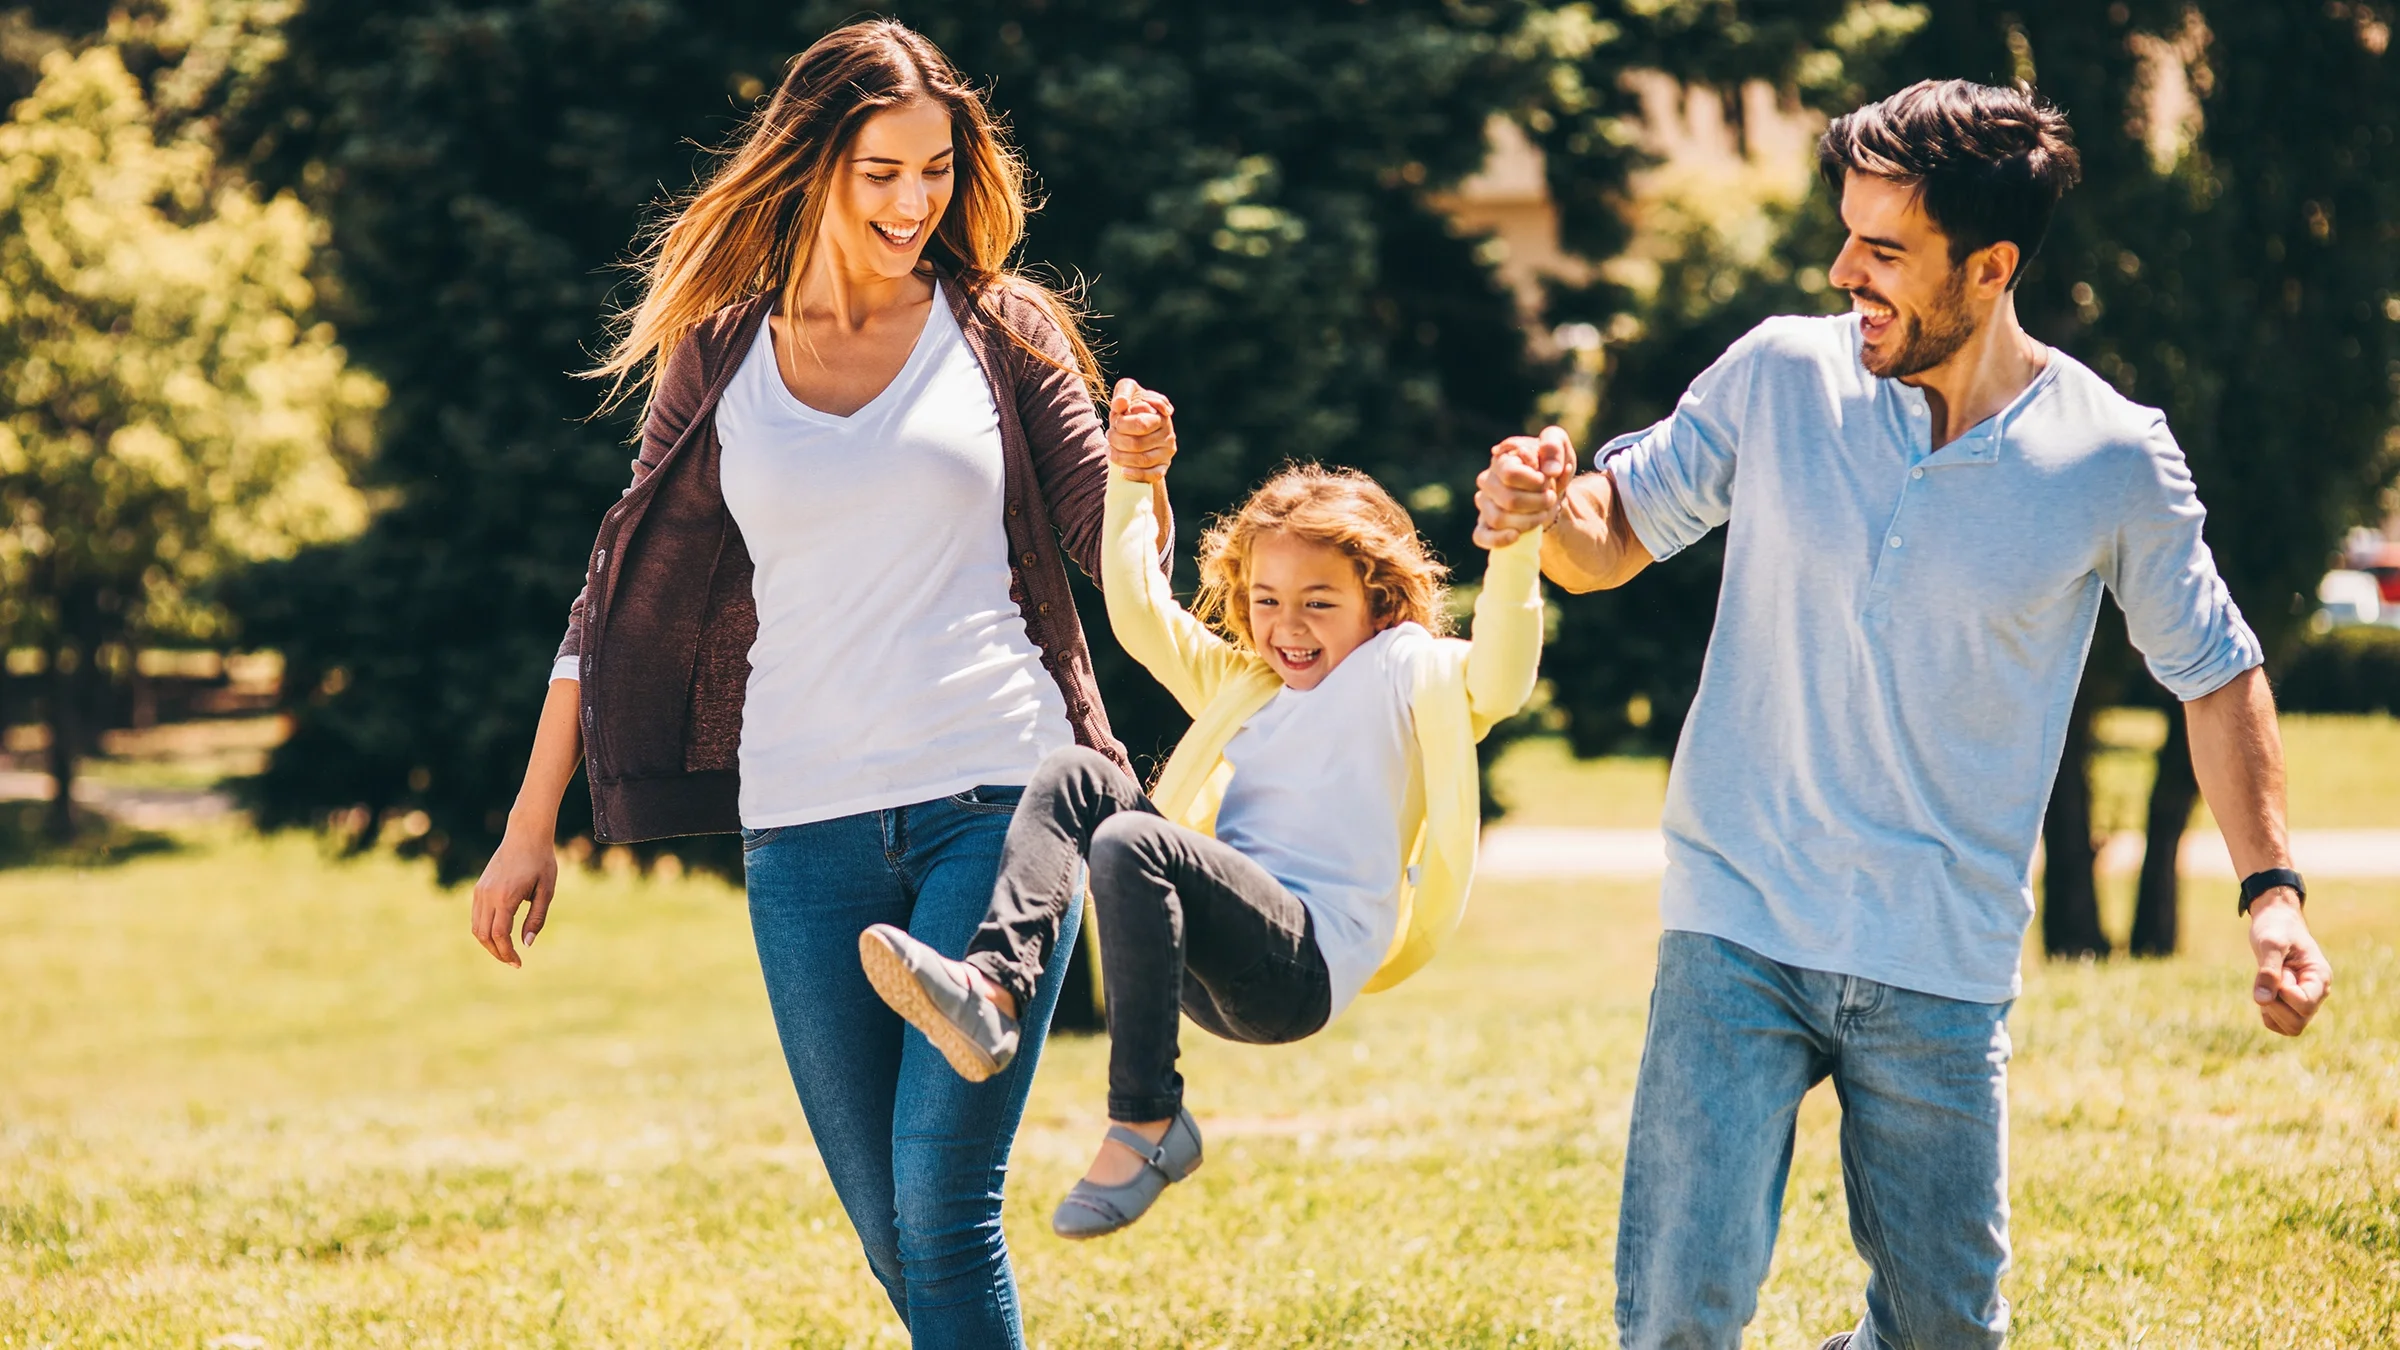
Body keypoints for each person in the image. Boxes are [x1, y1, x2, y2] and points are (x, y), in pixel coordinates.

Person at [1475, 80, 2332, 1350]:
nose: (1843, 270)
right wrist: (1544, 513)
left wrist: (2272, 892)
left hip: (1939, 957)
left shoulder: (2111, 455)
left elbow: (2213, 670)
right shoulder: (1777, 374)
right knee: (1676, 1313)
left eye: (1884, 250)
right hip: (1739, 919)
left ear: (1989, 268)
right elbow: (1611, 542)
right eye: (1846, 235)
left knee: (1944, 1336)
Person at [464, 21, 1181, 1347]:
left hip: (1001, 796)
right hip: (805, 833)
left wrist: (1141, 473)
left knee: (945, 1202)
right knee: (895, 1233)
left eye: (934, 172)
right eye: (882, 174)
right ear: (811, 166)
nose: (916, 204)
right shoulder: (721, 349)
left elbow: (1109, 545)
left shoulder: (999, 329)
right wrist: (528, 825)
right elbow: (611, 590)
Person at [859, 447, 1548, 1238]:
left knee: (1129, 845)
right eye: (1266, 599)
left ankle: (1147, 1121)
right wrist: (1131, 477)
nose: (1286, 626)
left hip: (1299, 966)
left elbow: (1500, 679)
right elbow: (1138, 610)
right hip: (1202, 949)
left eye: (1319, 603)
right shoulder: (1247, 685)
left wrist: (1516, 543)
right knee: (1076, 774)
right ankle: (994, 988)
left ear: (1380, 599)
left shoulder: (1407, 670)